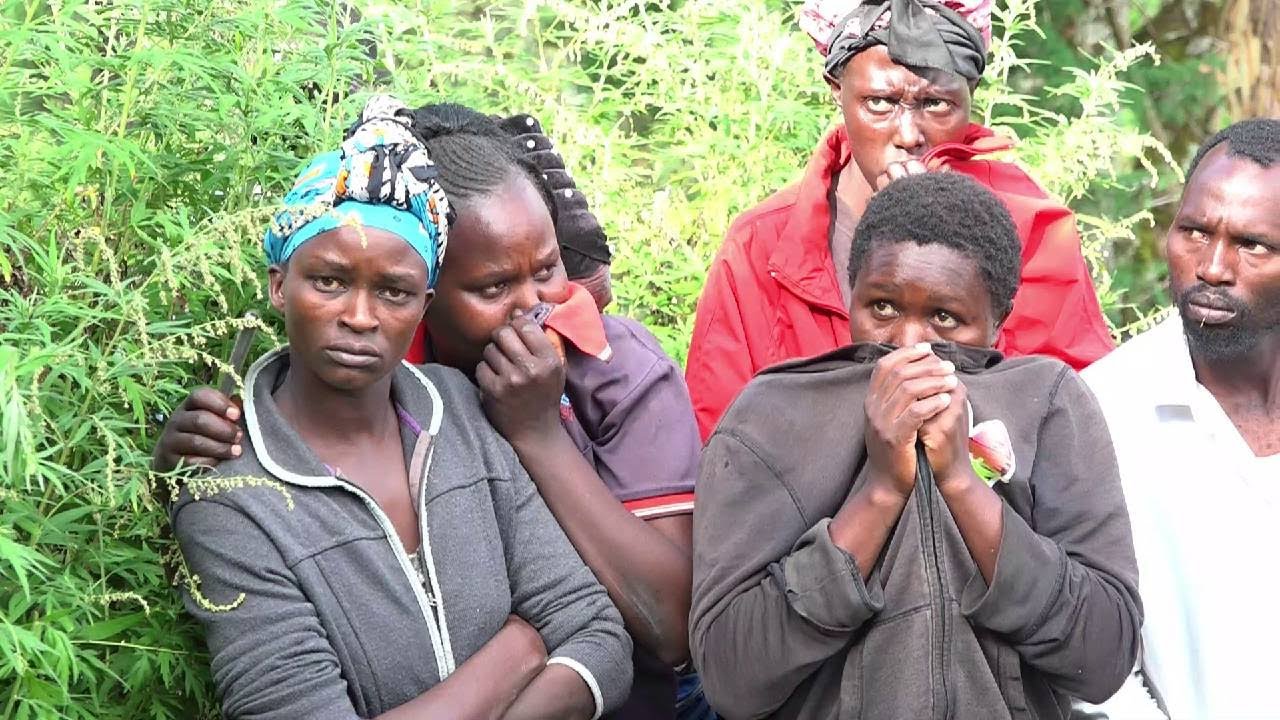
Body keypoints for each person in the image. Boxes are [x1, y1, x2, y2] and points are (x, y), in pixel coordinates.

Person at [156, 103, 702, 719]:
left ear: (420, 298)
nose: (532, 307)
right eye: (493, 287)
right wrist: (520, 649)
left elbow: (618, 636)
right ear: (281, 286)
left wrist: (537, 433)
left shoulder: (526, 392)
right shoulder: (242, 487)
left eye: (547, 270)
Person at [688, 172, 1140, 719]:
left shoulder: (1048, 404)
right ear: (849, 294)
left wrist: (960, 482)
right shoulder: (775, 415)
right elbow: (730, 677)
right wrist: (880, 490)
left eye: (944, 319)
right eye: (882, 307)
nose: (907, 346)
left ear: (1000, 320)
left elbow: (1104, 656)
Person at [684, 0, 1115, 440]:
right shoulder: (760, 246)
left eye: (936, 104)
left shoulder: (1032, 231)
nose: (908, 135)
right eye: (879, 103)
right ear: (836, 89)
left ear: (972, 94)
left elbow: (1070, 425)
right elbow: (721, 440)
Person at [1083, 119, 1280, 719]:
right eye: (1193, 231)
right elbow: (1090, 660)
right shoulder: (1101, 411)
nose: (1212, 268)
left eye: (1253, 244)